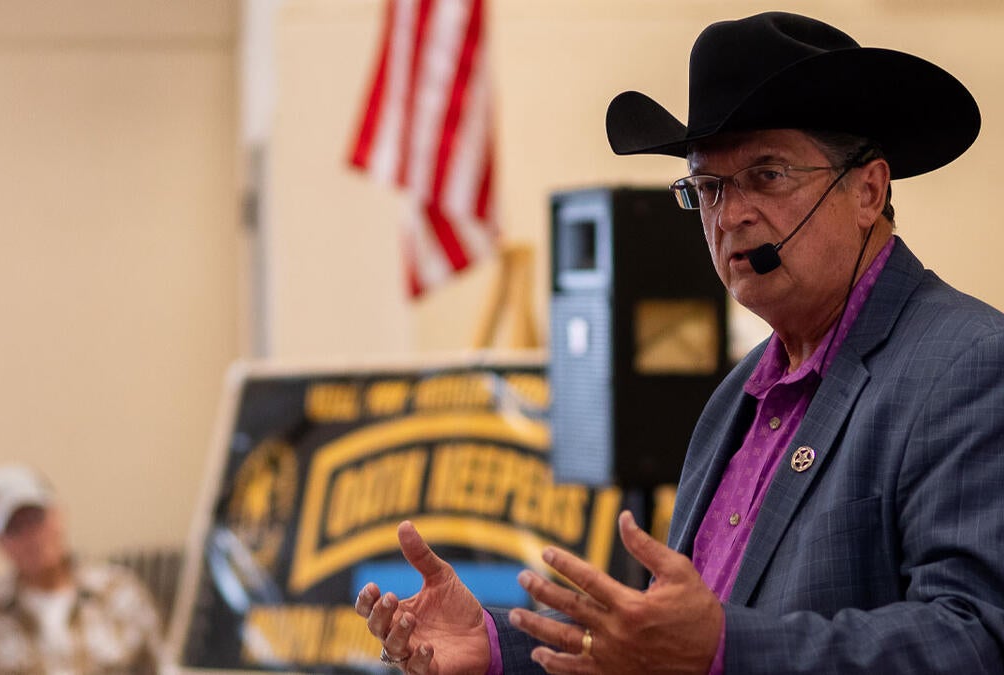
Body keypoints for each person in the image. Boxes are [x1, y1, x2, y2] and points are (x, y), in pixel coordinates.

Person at [356, 11, 1004, 674]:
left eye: (768, 175)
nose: (731, 216)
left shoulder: (970, 363)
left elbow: (975, 637)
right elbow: (660, 645)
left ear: (868, 189)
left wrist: (725, 646)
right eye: (709, 188)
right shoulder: (735, 396)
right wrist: (496, 645)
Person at [0, 463, 173, 675]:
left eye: (37, 518)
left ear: (59, 515)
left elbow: (161, 668)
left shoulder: (119, 593)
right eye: (15, 527)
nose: (32, 537)